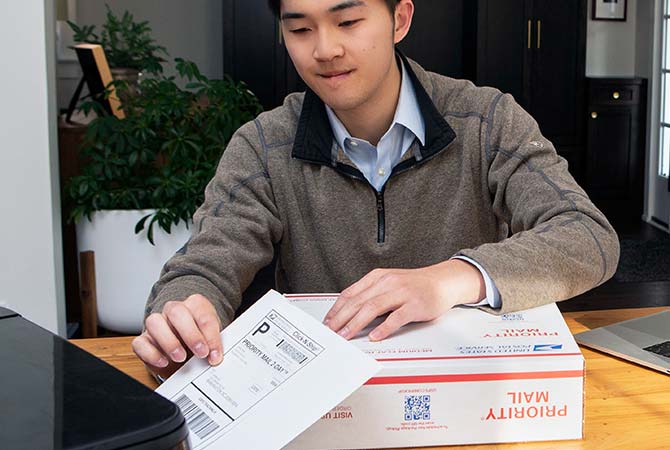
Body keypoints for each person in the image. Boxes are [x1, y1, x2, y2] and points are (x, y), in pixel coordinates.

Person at [131, 0, 619, 379]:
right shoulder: (263, 145)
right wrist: (182, 311)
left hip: (466, 391)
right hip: (328, 405)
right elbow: (203, 266)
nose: (324, 49)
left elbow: (588, 238)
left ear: (399, 18)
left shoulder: (486, 120)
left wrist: (448, 279)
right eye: (299, 28)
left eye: (347, 22)